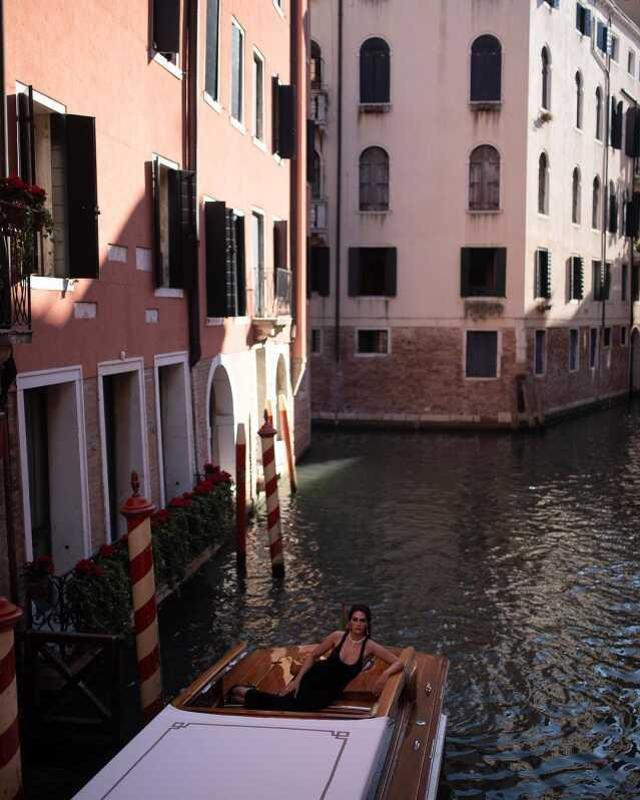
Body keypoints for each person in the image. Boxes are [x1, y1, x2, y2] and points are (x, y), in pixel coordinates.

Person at [230, 605, 404, 712]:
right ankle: (240, 692)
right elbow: (313, 656)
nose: (358, 624)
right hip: (312, 678)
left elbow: (398, 662)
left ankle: (243, 694)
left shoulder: (370, 646)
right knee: (283, 704)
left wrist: (385, 675)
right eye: (355, 620)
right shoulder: (337, 636)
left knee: (285, 704)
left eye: (362, 620)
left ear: (367, 624)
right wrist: (297, 680)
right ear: (349, 622)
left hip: (326, 695)